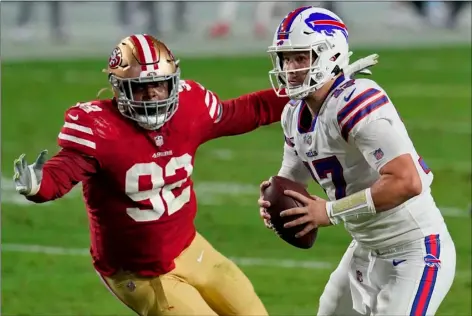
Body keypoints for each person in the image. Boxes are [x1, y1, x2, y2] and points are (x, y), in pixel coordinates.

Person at [12, 34, 376, 316]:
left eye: (161, 84)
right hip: (139, 271)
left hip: (189, 245)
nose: (154, 94)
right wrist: (38, 185)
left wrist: (316, 86)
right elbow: (63, 171)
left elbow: (244, 111)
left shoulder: (189, 106)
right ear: (119, 88)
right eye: (142, 87)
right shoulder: (98, 127)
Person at [257, 6, 456, 316]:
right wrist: (274, 197)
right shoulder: (293, 114)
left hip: (415, 249)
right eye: (286, 59)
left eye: (301, 57)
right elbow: (291, 180)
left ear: (330, 54)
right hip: (364, 249)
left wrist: (330, 211)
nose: (291, 68)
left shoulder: (357, 100)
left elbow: (407, 182)